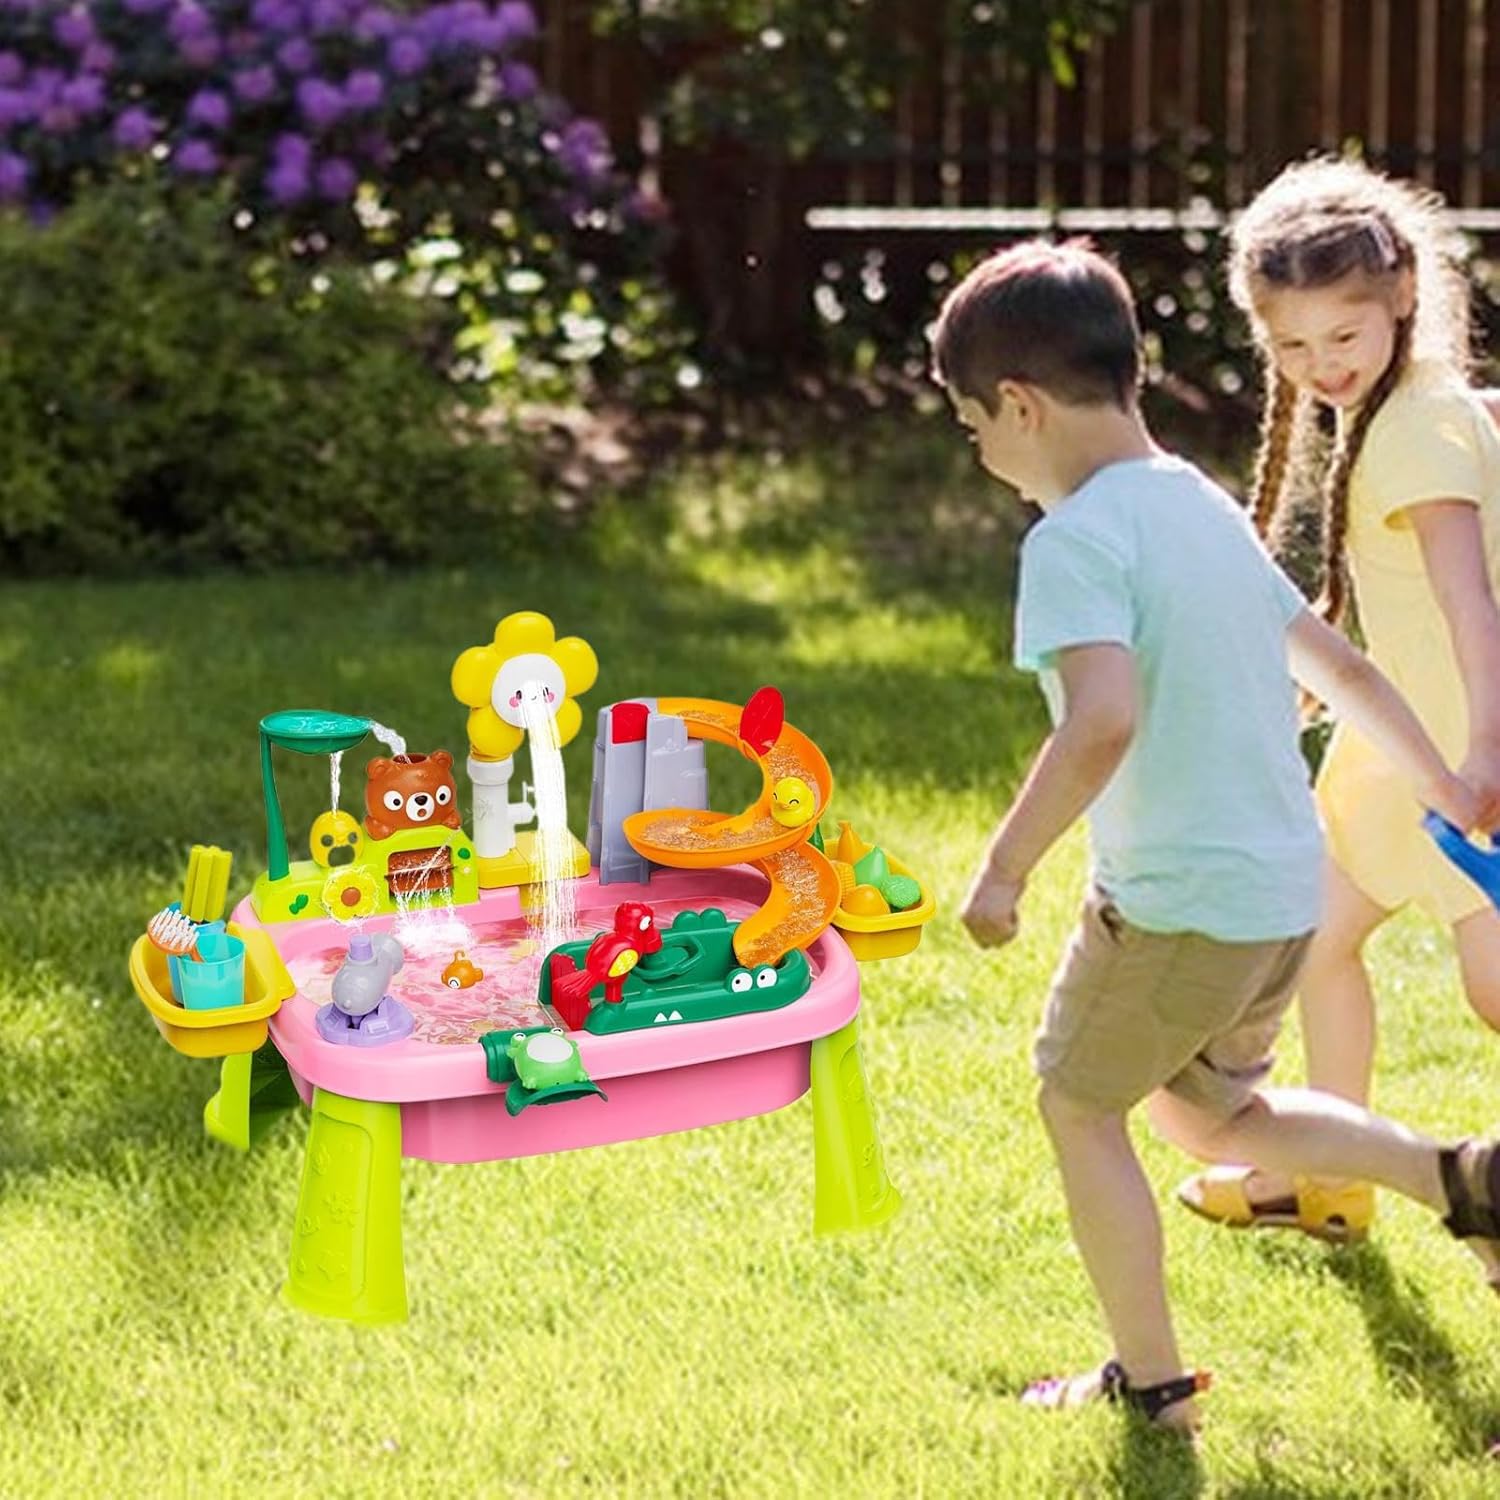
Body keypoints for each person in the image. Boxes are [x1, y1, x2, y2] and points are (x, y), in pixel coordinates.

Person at [933, 238, 1496, 1434]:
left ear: (1020, 407)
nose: (981, 454)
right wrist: (1446, 785)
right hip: (1282, 895)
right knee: (1206, 1118)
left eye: (974, 428)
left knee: (1078, 1106)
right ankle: (1458, 1178)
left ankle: (1154, 1387)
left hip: (1177, 905)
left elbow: (1100, 721)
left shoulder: (1072, 540)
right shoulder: (1195, 500)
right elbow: (1341, 667)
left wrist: (1004, 869)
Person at [1177, 159, 1500, 1244]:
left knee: (1495, 996)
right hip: (1398, 753)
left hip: (1465, 763)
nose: (1323, 366)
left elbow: (1467, 603)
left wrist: (1487, 754)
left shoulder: (1415, 429)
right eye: (1294, 346)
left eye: (1343, 336)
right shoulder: (1417, 404)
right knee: (1315, 943)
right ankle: (1326, 1182)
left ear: (1403, 293)